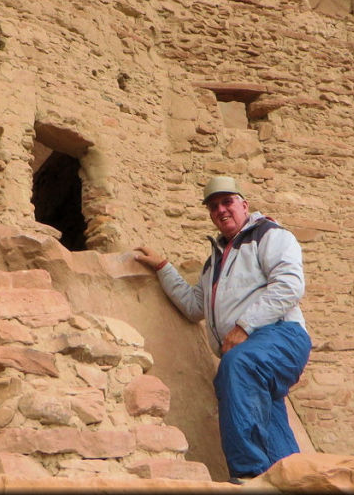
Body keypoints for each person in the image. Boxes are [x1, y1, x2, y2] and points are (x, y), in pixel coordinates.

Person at [132, 175, 311, 482]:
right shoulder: (214, 262)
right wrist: (163, 267)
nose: (221, 210)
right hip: (254, 346)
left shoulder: (269, 235)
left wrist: (243, 326)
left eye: (227, 202)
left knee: (237, 366)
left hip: (280, 335)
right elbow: (193, 307)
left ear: (244, 204)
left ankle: (248, 475)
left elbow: (289, 286)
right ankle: (290, 479)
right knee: (266, 412)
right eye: (213, 206)